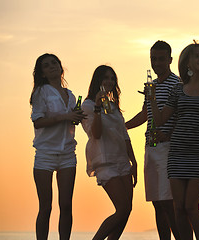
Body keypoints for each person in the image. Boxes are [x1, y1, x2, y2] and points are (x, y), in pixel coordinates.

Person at [146, 42, 199, 240]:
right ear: (187, 63)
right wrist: (152, 98)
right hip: (177, 154)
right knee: (178, 207)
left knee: (191, 206)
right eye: (197, 56)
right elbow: (160, 120)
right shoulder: (178, 90)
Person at [125, 40, 181, 240]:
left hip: (168, 148)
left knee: (169, 202)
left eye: (161, 59)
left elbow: (182, 114)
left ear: (170, 60)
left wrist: (170, 134)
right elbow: (145, 114)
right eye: (153, 59)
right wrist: (122, 127)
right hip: (151, 146)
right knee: (157, 202)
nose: (157, 63)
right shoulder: (152, 86)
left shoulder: (178, 84)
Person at [30, 53, 86, 240]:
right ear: (42, 73)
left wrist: (76, 117)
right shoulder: (41, 92)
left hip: (68, 153)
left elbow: (71, 122)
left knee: (66, 205)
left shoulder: (70, 95)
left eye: (54, 63)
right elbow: (38, 121)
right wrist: (65, 117)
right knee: (46, 206)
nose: (52, 66)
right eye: (46, 65)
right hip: (45, 154)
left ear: (61, 68)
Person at [81, 65, 137, 240]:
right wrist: (97, 107)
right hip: (105, 160)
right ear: (98, 80)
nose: (109, 81)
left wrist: (133, 162)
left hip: (122, 160)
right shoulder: (88, 106)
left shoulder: (113, 106)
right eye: (106, 78)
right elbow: (95, 133)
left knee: (126, 210)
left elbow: (124, 135)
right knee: (122, 209)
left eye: (112, 78)